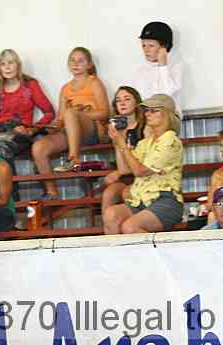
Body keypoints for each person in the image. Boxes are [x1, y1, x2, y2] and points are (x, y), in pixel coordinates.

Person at [32, 47, 109, 199]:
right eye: (72, 60)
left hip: (92, 130)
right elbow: (61, 119)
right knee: (38, 147)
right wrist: (51, 127)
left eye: (80, 61)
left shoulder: (94, 82)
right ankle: (52, 192)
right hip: (70, 130)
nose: (76, 64)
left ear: (89, 65)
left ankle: (74, 158)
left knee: (71, 113)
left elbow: (105, 112)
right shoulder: (65, 88)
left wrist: (79, 114)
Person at [102, 94, 183, 234]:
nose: (147, 114)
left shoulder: (170, 140)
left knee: (130, 227)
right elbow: (124, 169)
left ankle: (153, 249)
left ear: (167, 114)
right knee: (111, 215)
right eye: (147, 110)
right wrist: (118, 141)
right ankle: (118, 250)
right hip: (140, 199)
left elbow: (139, 171)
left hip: (165, 200)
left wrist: (122, 144)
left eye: (154, 110)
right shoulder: (146, 142)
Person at [0, 49, 55, 163]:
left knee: (2, 149)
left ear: (18, 65)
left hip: (20, 130)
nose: (7, 67)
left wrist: (33, 129)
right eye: (3, 64)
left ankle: (7, 175)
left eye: (10, 63)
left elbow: (50, 113)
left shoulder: (30, 84)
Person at [99, 86, 146, 214]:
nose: (122, 103)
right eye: (118, 100)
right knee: (109, 194)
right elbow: (123, 168)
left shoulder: (145, 127)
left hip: (144, 175)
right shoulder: (116, 128)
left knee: (128, 193)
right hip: (126, 175)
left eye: (127, 99)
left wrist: (119, 172)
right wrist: (117, 140)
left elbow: (145, 161)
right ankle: (108, 226)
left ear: (136, 102)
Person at [131, 21, 182, 109]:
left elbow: (166, 95)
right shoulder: (139, 71)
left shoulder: (176, 67)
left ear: (164, 47)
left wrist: (163, 65)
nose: (146, 50)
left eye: (151, 45)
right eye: (143, 45)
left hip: (169, 116)